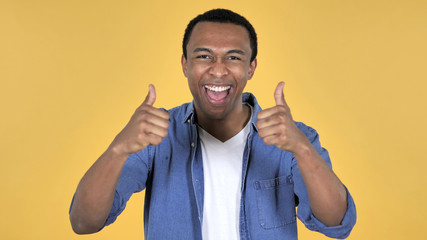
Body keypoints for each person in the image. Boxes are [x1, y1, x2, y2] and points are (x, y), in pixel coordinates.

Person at [69, 8, 356, 239]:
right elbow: (84, 222)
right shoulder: (155, 135)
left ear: (251, 67)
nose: (218, 70)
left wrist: (302, 150)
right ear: (185, 64)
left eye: (233, 57)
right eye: (204, 56)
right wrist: (118, 149)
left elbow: (337, 224)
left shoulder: (294, 138)